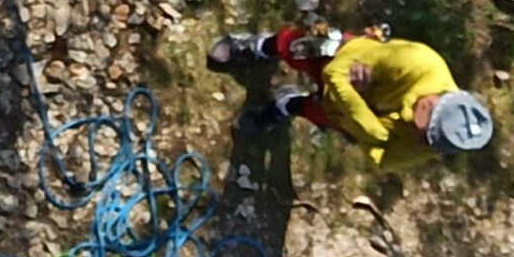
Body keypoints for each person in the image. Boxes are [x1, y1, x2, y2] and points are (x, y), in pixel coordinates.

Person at [209, 26, 495, 169]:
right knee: (300, 45)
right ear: (430, 102)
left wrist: (365, 122)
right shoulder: (416, 62)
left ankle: (286, 104)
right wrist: (373, 130)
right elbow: (335, 71)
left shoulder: (434, 140)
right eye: (422, 133)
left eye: (427, 141)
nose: (419, 142)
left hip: (347, 112)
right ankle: (260, 47)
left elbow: (382, 160)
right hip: (343, 59)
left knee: (319, 112)